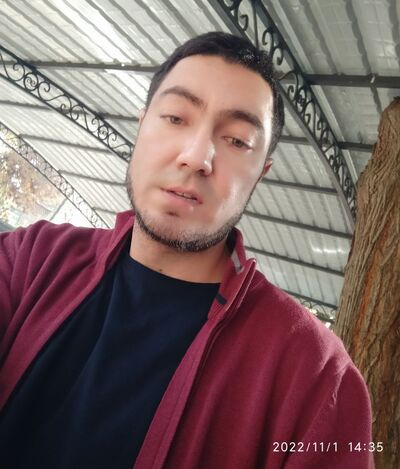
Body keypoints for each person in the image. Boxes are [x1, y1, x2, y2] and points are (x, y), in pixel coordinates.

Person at [0, 32, 373, 469]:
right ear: (141, 126)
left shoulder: (314, 376)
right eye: (176, 117)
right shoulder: (33, 259)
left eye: (237, 140)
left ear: (260, 173)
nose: (197, 157)